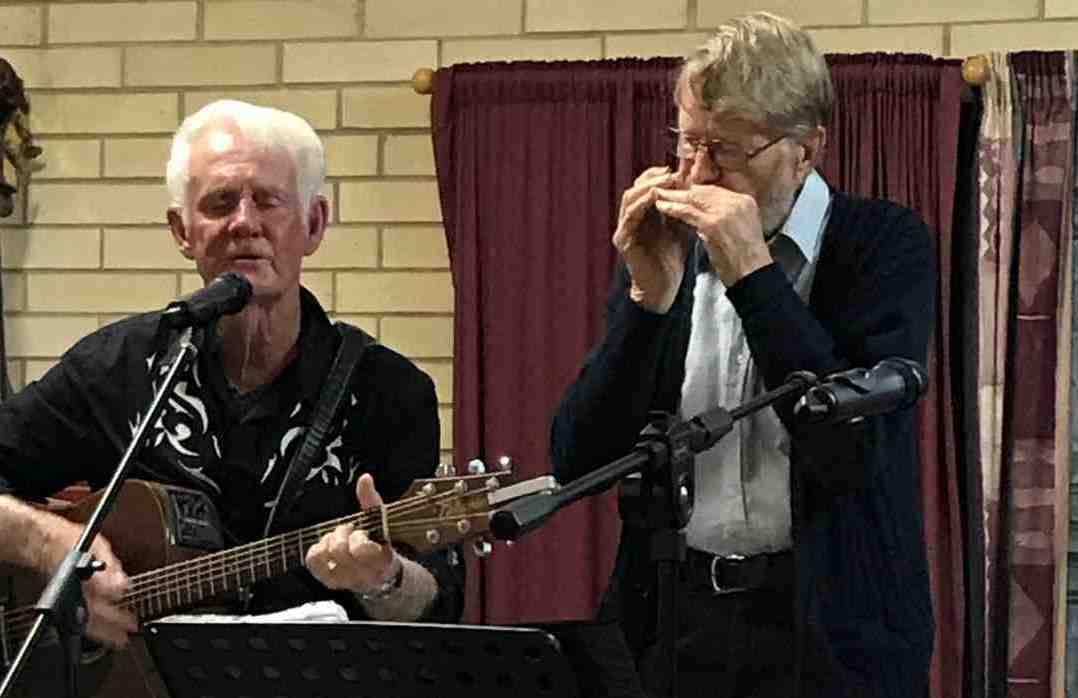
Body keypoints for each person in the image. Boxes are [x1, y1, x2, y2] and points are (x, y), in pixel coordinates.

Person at [550, 12, 936, 698]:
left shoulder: (886, 243)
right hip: (675, 622)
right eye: (687, 142)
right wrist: (647, 300)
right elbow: (579, 455)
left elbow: (852, 451)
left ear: (805, 150)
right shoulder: (670, 253)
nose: (698, 173)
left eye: (725, 150)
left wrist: (753, 277)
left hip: (830, 632)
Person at [0, 100, 463, 656]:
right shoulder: (118, 366)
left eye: (268, 200)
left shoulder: (389, 392)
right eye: (220, 202)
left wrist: (383, 578)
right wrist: (58, 545)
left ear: (313, 224)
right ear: (182, 230)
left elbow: (438, 606)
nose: (244, 222)